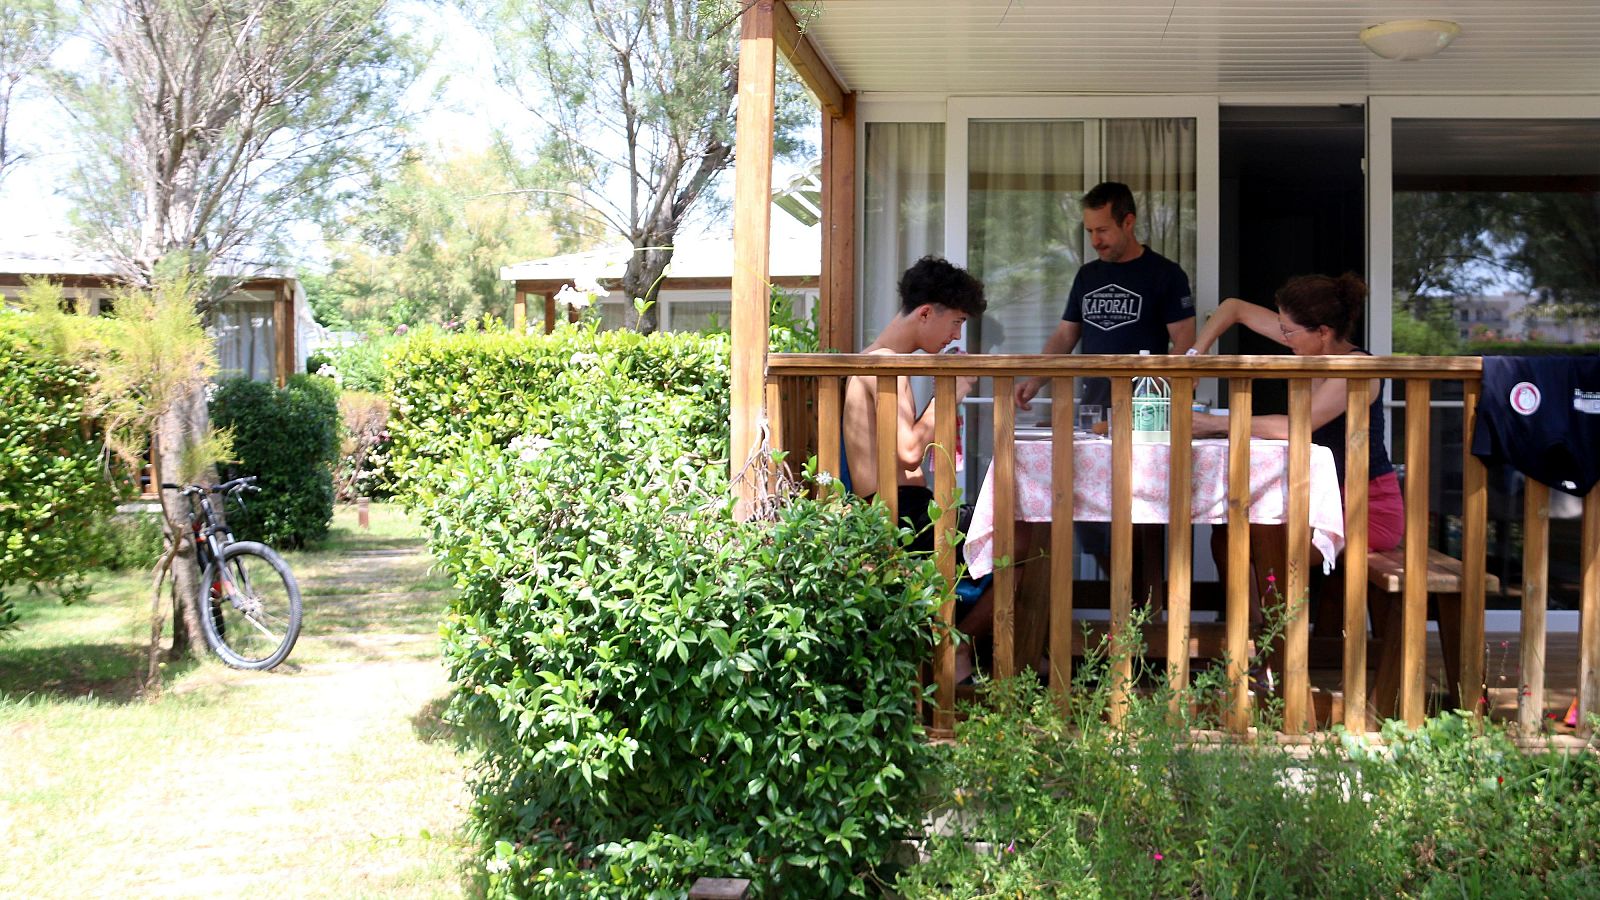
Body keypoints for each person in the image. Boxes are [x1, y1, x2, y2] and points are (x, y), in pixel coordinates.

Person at [1012, 181, 1197, 608]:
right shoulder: (1088, 276)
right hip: (1092, 412)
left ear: (1128, 222)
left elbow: (1185, 345)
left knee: (1146, 516)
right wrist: (1036, 378)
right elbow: (1066, 336)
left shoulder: (1165, 274)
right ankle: (1130, 602)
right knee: (1088, 512)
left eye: (1102, 230)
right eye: (1090, 231)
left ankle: (1147, 613)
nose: (1095, 240)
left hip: (1145, 417)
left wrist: (1167, 400)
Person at [1189, 273, 1404, 634]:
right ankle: (1255, 637)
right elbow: (1234, 308)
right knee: (1226, 533)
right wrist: (1194, 356)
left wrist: (1213, 423)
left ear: (1323, 332)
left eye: (1288, 332)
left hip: (1364, 508)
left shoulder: (1355, 369)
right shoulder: (1312, 344)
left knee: (1265, 538)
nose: (1284, 338)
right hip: (1321, 501)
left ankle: (1276, 644)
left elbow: (1296, 426)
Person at [840, 255, 989, 681]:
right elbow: (908, 452)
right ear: (925, 313)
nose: (956, 335)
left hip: (901, 509)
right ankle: (955, 655)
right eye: (956, 322)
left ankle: (954, 651)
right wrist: (950, 392)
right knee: (1015, 541)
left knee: (1009, 533)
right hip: (896, 515)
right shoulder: (884, 362)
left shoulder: (883, 359)